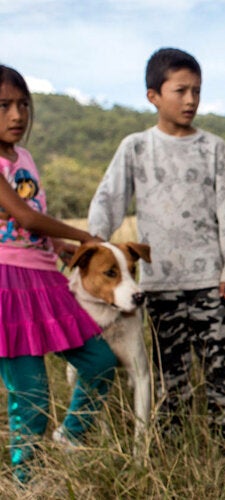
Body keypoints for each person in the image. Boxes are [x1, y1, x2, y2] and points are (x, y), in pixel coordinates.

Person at [88, 48, 225, 444]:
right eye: (180, 90)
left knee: (223, 368)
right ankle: (172, 447)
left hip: (209, 281)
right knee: (168, 373)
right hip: (158, 286)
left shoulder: (214, 148)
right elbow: (109, 199)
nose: (191, 100)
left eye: (197, 91)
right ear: (153, 96)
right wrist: (95, 242)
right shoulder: (136, 147)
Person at [0, 65, 117, 483]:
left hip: (45, 279)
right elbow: (25, 217)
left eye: (23, 105)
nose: (17, 115)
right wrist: (84, 236)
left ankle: (70, 434)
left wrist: (61, 247)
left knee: (100, 362)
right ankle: (27, 481)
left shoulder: (25, 158)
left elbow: (33, 224)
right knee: (30, 395)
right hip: (7, 284)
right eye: (4, 105)